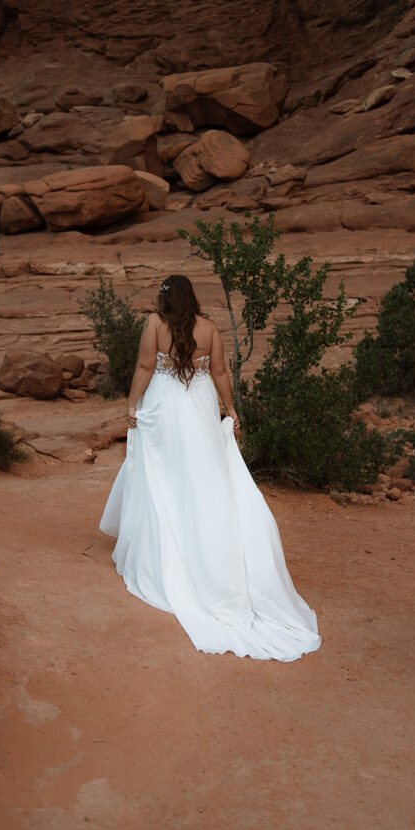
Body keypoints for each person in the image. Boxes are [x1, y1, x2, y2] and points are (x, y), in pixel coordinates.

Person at [100, 274, 321, 661]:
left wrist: (132, 404)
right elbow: (219, 373)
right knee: (200, 472)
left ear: (165, 298)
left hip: (165, 404)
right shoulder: (210, 328)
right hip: (199, 404)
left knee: (161, 471)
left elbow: (145, 365)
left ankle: (166, 541)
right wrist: (230, 408)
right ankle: (195, 528)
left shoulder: (154, 323)